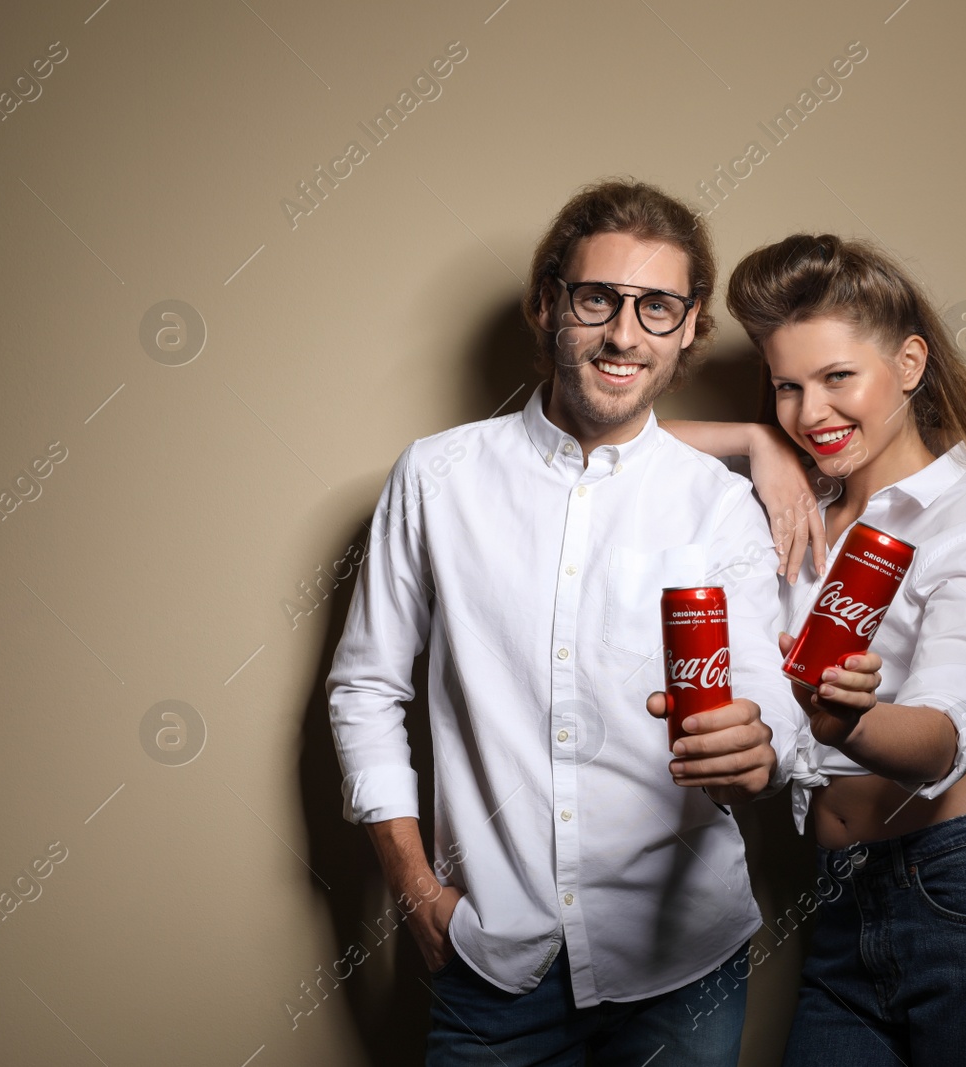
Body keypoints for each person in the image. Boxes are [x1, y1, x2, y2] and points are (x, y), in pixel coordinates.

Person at [324, 177, 810, 1066]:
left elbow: (767, 701)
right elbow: (365, 686)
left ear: (691, 327)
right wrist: (413, 888)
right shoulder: (436, 479)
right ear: (548, 303)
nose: (625, 334)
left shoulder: (719, 504)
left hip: (683, 967)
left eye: (658, 307)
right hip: (490, 959)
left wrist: (763, 745)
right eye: (599, 299)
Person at [669, 233, 966, 1065]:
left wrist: (848, 722)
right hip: (840, 897)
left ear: (910, 363)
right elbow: (615, 455)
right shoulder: (793, 497)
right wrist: (752, 442)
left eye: (839, 378)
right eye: (787, 388)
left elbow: (945, 733)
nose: (811, 414)